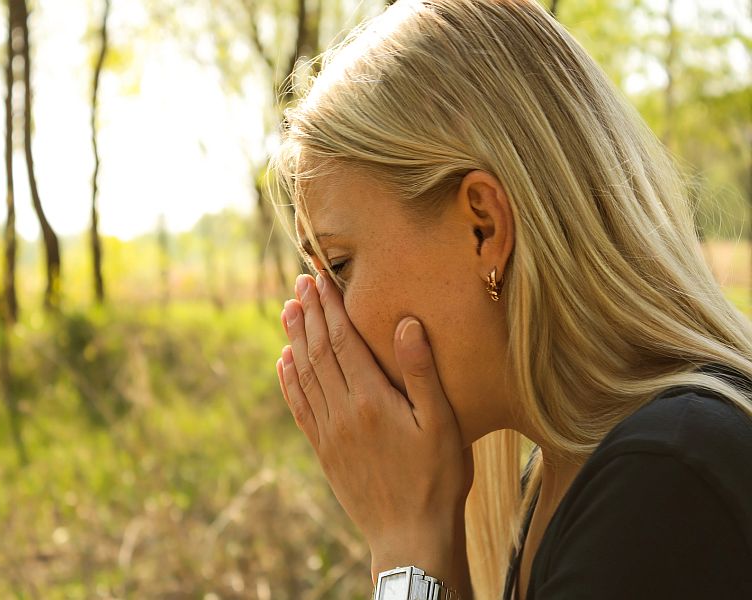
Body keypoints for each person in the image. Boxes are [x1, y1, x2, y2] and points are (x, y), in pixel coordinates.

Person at [269, 1, 752, 598]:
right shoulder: (569, 474)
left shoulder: (664, 485)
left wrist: (407, 550)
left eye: (340, 265)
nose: (329, 315)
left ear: (484, 228)